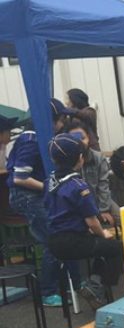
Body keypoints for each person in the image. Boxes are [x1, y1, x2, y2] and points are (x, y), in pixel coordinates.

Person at [6, 98, 79, 307]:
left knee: (57, 237)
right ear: (50, 120)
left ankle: (64, 284)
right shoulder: (31, 140)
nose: (63, 123)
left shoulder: (39, 137)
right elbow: (20, 177)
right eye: (61, 119)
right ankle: (48, 292)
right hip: (27, 197)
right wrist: (50, 187)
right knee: (52, 241)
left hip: (34, 195)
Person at [45, 133, 124, 308]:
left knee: (101, 247)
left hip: (52, 240)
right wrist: (103, 234)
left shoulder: (50, 180)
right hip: (73, 242)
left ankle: (93, 285)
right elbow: (92, 222)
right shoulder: (78, 186)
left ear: (53, 159)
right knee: (116, 248)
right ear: (81, 158)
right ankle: (96, 288)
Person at [64, 119, 118, 226]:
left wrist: (104, 210)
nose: (80, 142)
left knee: (123, 218)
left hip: (99, 200)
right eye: (75, 139)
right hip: (78, 204)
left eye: (82, 138)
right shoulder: (66, 160)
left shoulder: (98, 158)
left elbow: (103, 186)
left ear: (88, 138)